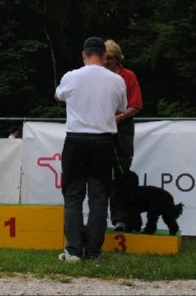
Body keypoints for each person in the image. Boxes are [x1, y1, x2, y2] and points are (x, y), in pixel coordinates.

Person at [54, 36, 127, 261]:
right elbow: (122, 107)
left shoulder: (71, 76)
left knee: (73, 195)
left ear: (84, 55)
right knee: (99, 197)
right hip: (104, 142)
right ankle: (94, 252)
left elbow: (58, 96)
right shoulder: (116, 80)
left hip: (76, 141)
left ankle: (73, 250)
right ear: (105, 57)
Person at [104, 40, 144, 232]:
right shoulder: (96, 76)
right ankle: (98, 218)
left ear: (118, 59)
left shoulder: (128, 76)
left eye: (110, 59)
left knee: (121, 176)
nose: (105, 62)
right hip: (100, 129)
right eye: (104, 58)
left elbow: (136, 105)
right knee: (99, 175)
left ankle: (120, 219)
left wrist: (120, 117)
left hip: (122, 130)